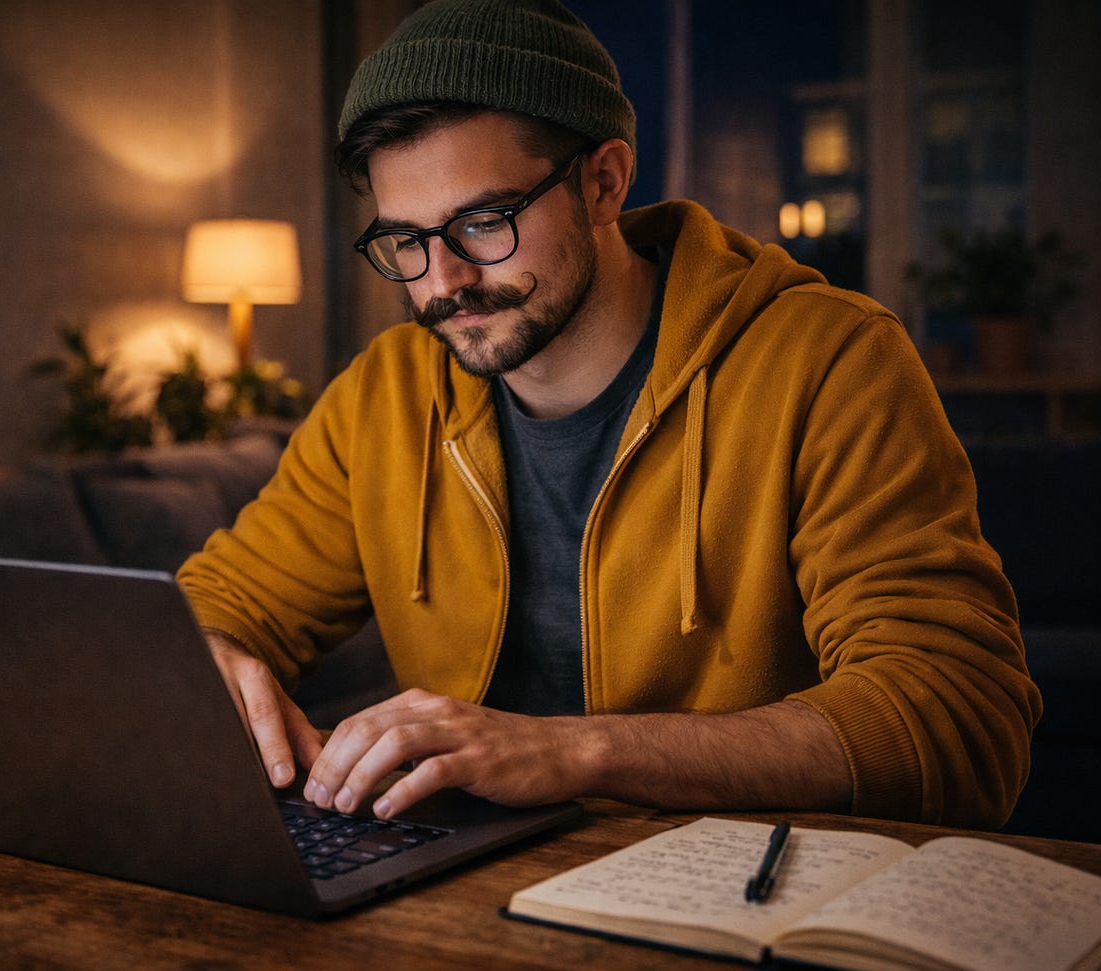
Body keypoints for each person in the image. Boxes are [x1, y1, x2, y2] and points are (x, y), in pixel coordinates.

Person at [177, 0, 1039, 830]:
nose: (441, 282)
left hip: (739, 892)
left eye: (483, 222)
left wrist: (578, 752)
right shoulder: (384, 396)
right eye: (405, 241)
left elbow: (957, 714)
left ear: (604, 182)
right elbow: (220, 602)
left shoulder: (829, 362)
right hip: (462, 896)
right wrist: (211, 653)